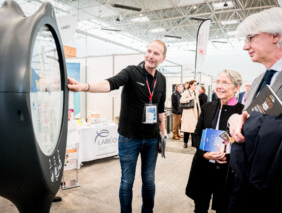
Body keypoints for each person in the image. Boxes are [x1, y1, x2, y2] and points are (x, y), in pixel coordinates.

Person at [227, 7, 282, 213]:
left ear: (276, 35)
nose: (245, 46)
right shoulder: (258, 80)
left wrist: (266, 128)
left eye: (250, 38)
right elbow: (251, 118)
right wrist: (236, 119)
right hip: (252, 189)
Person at [67, 40, 167, 213]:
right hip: (129, 139)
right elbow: (110, 83)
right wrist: (85, 87)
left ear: (162, 59)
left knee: (149, 180)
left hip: (151, 139)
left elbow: (160, 110)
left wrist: (163, 134)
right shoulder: (131, 72)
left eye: (156, 53)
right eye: (149, 51)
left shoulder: (162, 80)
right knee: (127, 181)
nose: (151, 56)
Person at [186, 70, 244, 213]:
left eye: (225, 82)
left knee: (224, 207)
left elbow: (243, 144)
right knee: (200, 206)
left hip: (226, 171)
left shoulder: (242, 112)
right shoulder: (208, 107)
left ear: (237, 87)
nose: (219, 86)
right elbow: (197, 134)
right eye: (217, 82)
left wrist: (227, 156)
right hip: (203, 166)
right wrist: (205, 154)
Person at [180, 80, 200, 148]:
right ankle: (185, 143)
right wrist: (189, 98)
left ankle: (193, 143)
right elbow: (181, 100)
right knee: (187, 129)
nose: (195, 86)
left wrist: (199, 112)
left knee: (194, 129)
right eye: (194, 85)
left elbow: (198, 104)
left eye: (196, 85)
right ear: (190, 85)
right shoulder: (186, 92)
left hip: (195, 113)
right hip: (188, 114)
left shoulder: (195, 93)